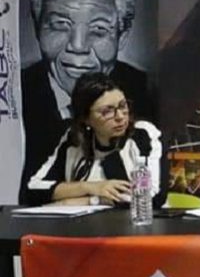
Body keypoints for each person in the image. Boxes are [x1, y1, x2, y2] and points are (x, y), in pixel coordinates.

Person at [20, 0, 153, 204]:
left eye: (98, 29)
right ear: (37, 27)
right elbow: (32, 189)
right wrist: (91, 189)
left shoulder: (149, 97)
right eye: (60, 25)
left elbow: (147, 198)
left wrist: (84, 198)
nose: (78, 47)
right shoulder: (15, 97)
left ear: (123, 35)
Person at [24, 72, 165, 207]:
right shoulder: (74, 139)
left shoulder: (142, 134)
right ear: (86, 118)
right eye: (107, 111)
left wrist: (92, 200)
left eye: (123, 106)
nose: (120, 116)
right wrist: (90, 187)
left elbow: (153, 197)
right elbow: (33, 189)